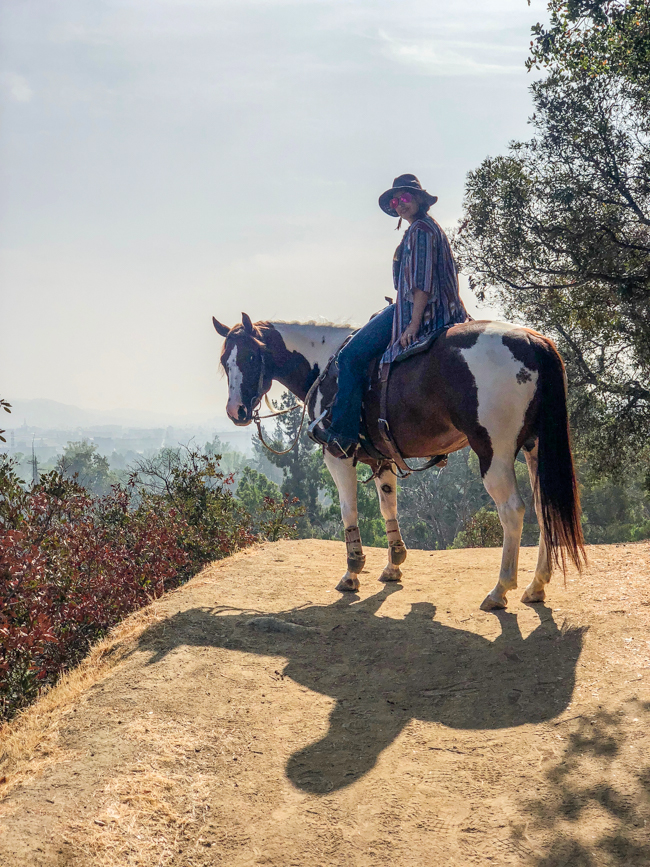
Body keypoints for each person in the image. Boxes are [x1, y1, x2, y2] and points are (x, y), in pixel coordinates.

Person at [309, 173, 469, 459]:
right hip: (434, 308)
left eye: (405, 197)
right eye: (395, 200)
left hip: (424, 312)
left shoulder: (420, 231)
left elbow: (421, 284)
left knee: (350, 356)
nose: (399, 204)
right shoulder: (427, 229)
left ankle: (344, 435)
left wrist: (413, 323)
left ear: (419, 199)